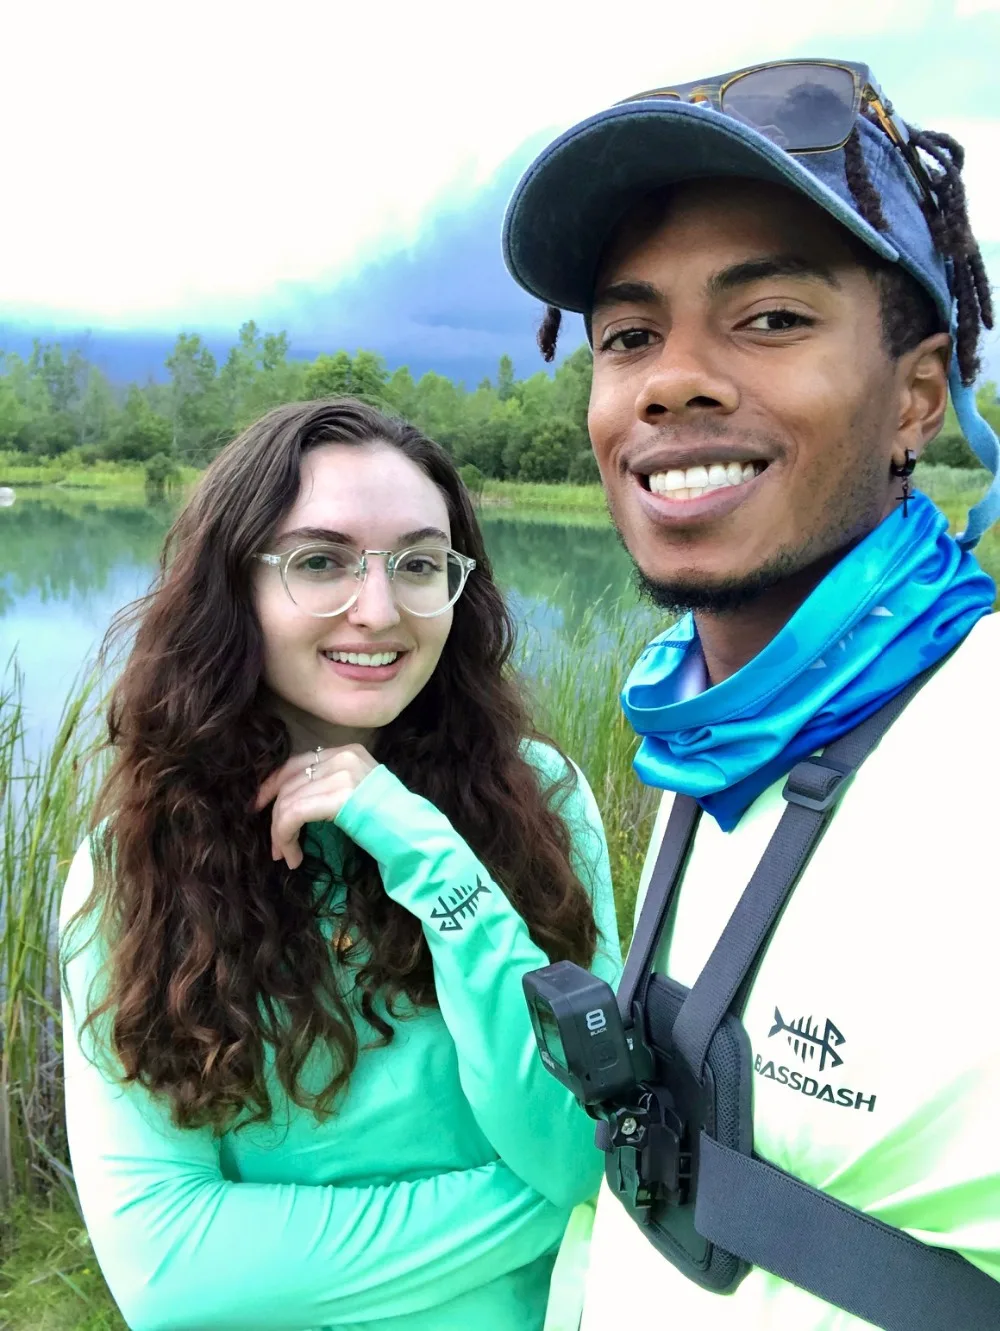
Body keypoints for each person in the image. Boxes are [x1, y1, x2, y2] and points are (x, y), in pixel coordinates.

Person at [502, 57, 1000, 1329]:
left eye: (770, 317)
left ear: (916, 396)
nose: (671, 380)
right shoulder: (711, 731)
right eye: (628, 336)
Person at [59, 399, 622, 1331]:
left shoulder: (543, 802)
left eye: (419, 564)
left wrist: (429, 856)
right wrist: (531, 1204)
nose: (379, 610)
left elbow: (576, 1149)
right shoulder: (140, 858)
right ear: (233, 585)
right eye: (320, 561)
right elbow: (168, 1270)